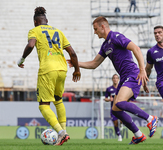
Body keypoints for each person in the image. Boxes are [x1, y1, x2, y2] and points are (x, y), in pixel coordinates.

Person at [67, 16, 158, 145]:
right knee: (115, 110)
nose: (94, 32)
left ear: (103, 27)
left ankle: (150, 118)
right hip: (124, 77)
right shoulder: (105, 45)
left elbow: (136, 48)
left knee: (119, 103)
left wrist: (142, 69)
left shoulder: (116, 36)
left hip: (132, 74)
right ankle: (138, 135)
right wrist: (76, 63)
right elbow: (94, 64)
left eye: (95, 29)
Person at [17, 7, 81, 146]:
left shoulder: (34, 30)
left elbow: (30, 45)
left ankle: (61, 133)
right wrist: (77, 70)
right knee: (58, 100)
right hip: (62, 69)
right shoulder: (58, 31)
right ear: (47, 21)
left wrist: (22, 59)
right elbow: (73, 53)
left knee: (44, 105)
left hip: (47, 70)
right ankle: (64, 133)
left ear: (35, 22)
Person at [104, 74, 123, 141]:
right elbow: (105, 98)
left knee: (122, 120)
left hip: (120, 108)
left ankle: (121, 123)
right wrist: (109, 100)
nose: (115, 79)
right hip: (113, 108)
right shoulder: (109, 89)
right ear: (112, 79)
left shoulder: (121, 88)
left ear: (118, 79)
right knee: (115, 122)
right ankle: (119, 135)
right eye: (114, 78)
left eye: (116, 78)